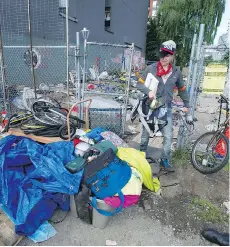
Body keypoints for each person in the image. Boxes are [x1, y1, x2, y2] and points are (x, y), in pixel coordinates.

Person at [136, 40, 193, 172]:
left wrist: (187, 105)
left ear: (172, 56)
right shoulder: (151, 69)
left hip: (166, 108)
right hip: (150, 107)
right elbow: (139, 84)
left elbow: (182, 89)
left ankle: (165, 160)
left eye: (167, 55)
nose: (163, 58)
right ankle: (141, 155)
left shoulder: (176, 72)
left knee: (168, 135)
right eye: (162, 55)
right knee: (145, 134)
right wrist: (148, 91)